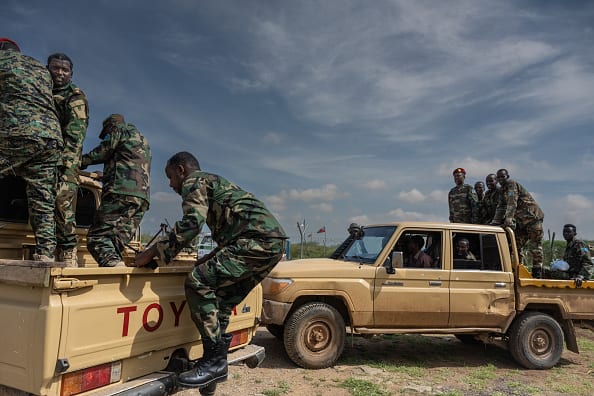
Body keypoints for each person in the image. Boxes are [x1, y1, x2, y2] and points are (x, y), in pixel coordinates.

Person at [133, 151, 286, 388]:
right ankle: (213, 365)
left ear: (181, 170)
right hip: (269, 245)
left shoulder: (195, 181)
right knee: (221, 301)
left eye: (171, 177)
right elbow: (233, 231)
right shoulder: (214, 183)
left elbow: (192, 224)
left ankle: (214, 364)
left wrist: (152, 253)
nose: (171, 184)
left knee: (198, 281)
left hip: (257, 243)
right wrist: (211, 257)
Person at [0, 38, 63, 261]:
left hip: (17, 132)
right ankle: (46, 253)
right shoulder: (40, 69)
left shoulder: (2, 61)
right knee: (42, 199)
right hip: (51, 139)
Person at [80, 114, 150, 267]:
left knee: (97, 238)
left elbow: (103, 151)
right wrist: (106, 177)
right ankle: (116, 265)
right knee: (114, 241)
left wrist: (78, 161)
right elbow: (132, 168)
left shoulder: (119, 130)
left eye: (106, 134)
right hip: (141, 198)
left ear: (111, 127)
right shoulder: (142, 140)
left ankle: (112, 264)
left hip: (120, 193)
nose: (106, 137)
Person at [47, 53, 89, 267]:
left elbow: (75, 136)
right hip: (43, 158)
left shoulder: (74, 96)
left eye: (65, 70)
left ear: (71, 74)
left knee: (62, 202)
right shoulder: (42, 91)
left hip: (65, 161)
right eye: (56, 68)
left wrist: (66, 166)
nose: (60, 73)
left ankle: (68, 250)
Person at [491, 169, 544, 278]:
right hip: (521, 222)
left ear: (507, 176)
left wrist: (508, 220)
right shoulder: (502, 190)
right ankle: (519, 268)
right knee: (516, 245)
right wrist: (494, 222)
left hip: (532, 218)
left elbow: (512, 202)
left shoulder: (511, 184)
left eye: (503, 177)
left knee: (535, 246)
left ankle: (537, 271)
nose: (501, 179)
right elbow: (501, 206)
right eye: (499, 177)